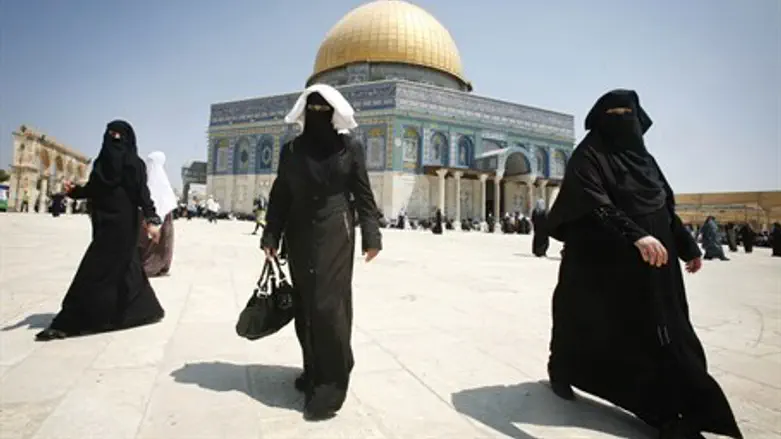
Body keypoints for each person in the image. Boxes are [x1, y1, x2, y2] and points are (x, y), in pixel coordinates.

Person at [545, 90, 742, 439]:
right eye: (614, 112)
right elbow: (595, 202)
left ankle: (691, 409)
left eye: (628, 112)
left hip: (657, 264)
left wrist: (686, 246)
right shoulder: (590, 155)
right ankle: (658, 411)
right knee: (607, 327)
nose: (622, 119)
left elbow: (664, 207)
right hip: (607, 265)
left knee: (672, 331)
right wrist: (635, 235)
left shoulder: (645, 161)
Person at [260, 84, 382, 421]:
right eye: (311, 110)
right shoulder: (292, 150)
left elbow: (363, 195)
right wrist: (271, 233)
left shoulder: (349, 148)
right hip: (298, 232)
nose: (317, 117)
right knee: (305, 303)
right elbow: (281, 194)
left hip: (336, 230)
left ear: (334, 113)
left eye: (322, 110)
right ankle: (314, 370)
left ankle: (331, 384)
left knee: (328, 305)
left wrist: (372, 235)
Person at [36, 120, 165, 341]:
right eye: (110, 134)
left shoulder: (134, 164)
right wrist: (74, 192)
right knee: (127, 268)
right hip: (104, 222)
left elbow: (141, 193)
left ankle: (69, 322)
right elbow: (94, 189)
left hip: (124, 226)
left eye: (118, 135)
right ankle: (144, 310)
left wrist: (152, 219)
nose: (113, 139)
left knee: (94, 269)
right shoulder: (102, 163)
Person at [138, 151, 177, 277]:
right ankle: (161, 265)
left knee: (149, 241)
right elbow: (168, 200)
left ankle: (149, 264)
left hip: (147, 217)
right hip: (163, 218)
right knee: (164, 240)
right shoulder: (163, 180)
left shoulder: (145, 180)